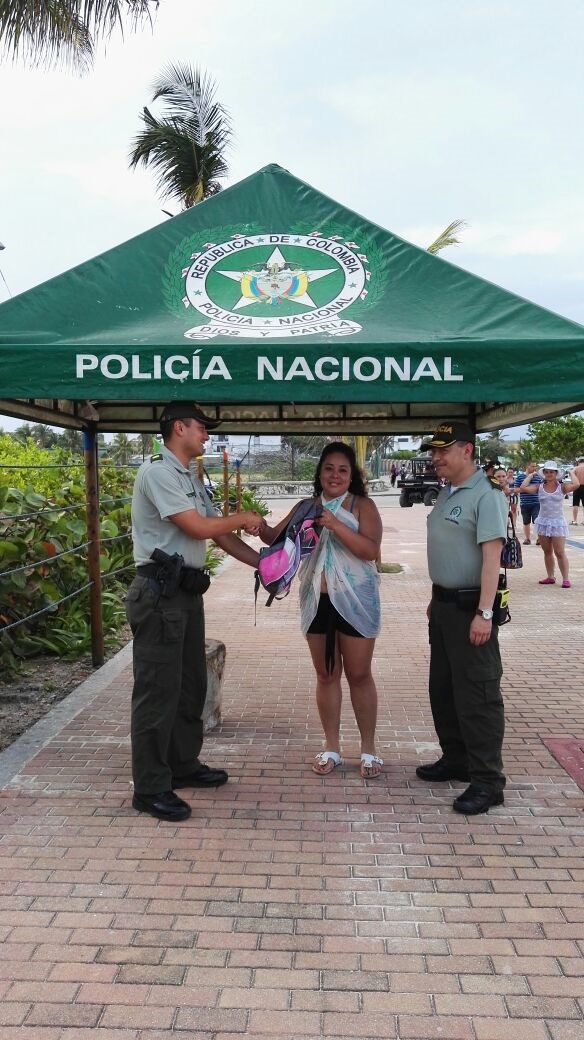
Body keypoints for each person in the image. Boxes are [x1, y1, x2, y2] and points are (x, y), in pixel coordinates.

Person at [126, 402, 262, 822]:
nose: (206, 434)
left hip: (184, 594)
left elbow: (216, 533)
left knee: (190, 686)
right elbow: (198, 527)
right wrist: (243, 517)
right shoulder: (158, 473)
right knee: (157, 692)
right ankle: (150, 788)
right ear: (179, 427)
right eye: (202, 427)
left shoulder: (189, 476)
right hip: (160, 595)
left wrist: (266, 564)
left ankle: (181, 764)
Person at [259, 442, 383, 779]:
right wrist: (253, 523)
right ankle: (331, 746)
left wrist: (335, 524)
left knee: (359, 675)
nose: (335, 475)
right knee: (326, 674)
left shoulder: (362, 506)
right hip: (317, 600)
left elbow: (370, 550)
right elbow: (275, 536)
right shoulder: (305, 506)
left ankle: (368, 750)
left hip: (356, 600)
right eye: (328, 468)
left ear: (351, 475)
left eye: (343, 470)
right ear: (320, 472)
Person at [416, 421, 508, 815]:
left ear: (467, 450)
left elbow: (492, 560)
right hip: (445, 608)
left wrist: (485, 613)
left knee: (478, 697)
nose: (435, 457)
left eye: (443, 450)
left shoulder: (485, 496)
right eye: (433, 451)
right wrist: (438, 597)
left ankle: (487, 781)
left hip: (473, 609)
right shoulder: (448, 492)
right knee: (444, 689)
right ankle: (456, 759)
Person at [519, 461, 580, 588]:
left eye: (551, 472)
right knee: (547, 551)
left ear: (556, 473)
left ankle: (565, 578)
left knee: (559, 552)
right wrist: (531, 475)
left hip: (557, 523)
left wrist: (571, 472)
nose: (549, 474)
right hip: (543, 522)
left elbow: (577, 484)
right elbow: (524, 487)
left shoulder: (562, 487)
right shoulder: (539, 487)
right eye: (546, 472)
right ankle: (550, 576)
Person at [514, 461, 541, 544]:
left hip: (536, 503)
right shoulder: (520, 477)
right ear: (527, 466)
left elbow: (540, 488)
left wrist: (528, 488)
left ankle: (539, 539)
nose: (534, 468)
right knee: (526, 522)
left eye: (535, 466)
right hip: (525, 503)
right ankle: (527, 538)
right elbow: (515, 490)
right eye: (533, 466)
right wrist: (528, 488)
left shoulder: (538, 477)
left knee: (537, 521)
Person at [570, 457, 584, 524]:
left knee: (575, 504)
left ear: (578, 462)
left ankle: (575, 520)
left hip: (577, 487)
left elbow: (572, 478)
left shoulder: (575, 468)